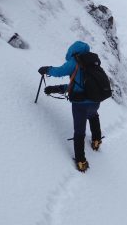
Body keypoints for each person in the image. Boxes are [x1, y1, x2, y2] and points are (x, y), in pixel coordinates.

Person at [38, 40, 103, 173]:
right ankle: (96, 141)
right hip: (95, 100)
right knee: (93, 116)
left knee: (79, 131)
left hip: (80, 105)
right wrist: (56, 89)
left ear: (72, 51)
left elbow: (59, 72)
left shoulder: (74, 62)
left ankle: (81, 161)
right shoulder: (93, 61)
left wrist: (46, 69)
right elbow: (79, 84)